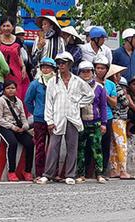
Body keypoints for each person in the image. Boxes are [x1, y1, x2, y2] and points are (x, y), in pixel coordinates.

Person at [36, 52, 94, 185]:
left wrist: (78, 104)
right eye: (59, 63)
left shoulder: (77, 81)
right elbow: (49, 102)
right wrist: (49, 121)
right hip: (57, 118)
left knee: (72, 147)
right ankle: (48, 174)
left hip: (72, 117)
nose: (61, 65)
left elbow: (90, 95)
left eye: (64, 62)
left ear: (69, 64)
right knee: (53, 146)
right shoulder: (52, 82)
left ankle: (70, 174)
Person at [0, 80, 34, 182]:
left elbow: (23, 117)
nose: (11, 90)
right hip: (4, 126)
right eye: (8, 88)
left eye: (13, 88)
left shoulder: (19, 101)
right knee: (12, 143)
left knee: (30, 143)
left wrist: (25, 127)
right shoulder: (0, 101)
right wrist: (12, 127)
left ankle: (27, 171)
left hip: (18, 126)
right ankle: (11, 171)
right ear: (4, 90)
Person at [75, 60, 107, 184]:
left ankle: (99, 174)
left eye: (88, 71)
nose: (86, 74)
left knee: (97, 149)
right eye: (83, 71)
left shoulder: (99, 88)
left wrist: (104, 123)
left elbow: (103, 106)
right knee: (80, 149)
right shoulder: (76, 87)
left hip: (95, 122)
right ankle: (80, 174)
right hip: (81, 122)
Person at [25, 57, 56, 179]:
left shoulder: (57, 83)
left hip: (54, 118)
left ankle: (53, 172)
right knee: (40, 147)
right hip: (40, 119)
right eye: (43, 67)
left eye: (48, 67)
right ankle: (39, 173)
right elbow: (28, 101)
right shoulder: (35, 84)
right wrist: (36, 112)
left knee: (54, 147)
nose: (45, 69)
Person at [106, 64, 135, 180]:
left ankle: (114, 170)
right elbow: (125, 103)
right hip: (119, 119)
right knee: (121, 145)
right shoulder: (117, 88)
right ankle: (123, 170)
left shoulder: (108, 86)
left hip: (112, 118)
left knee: (113, 145)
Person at [94, 55, 117, 177]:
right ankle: (88, 171)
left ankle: (101, 172)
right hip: (93, 117)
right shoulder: (90, 83)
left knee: (105, 145)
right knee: (91, 144)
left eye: (103, 68)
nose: (100, 70)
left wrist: (105, 95)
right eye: (98, 68)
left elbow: (114, 103)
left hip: (107, 116)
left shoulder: (111, 85)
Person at [0, 17, 30, 102]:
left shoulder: (17, 40)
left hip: (17, 72)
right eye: (3, 26)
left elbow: (19, 54)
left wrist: (23, 67)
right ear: (0, 27)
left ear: (13, 27)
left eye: (8, 26)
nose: (6, 28)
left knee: (18, 95)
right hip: (2, 73)